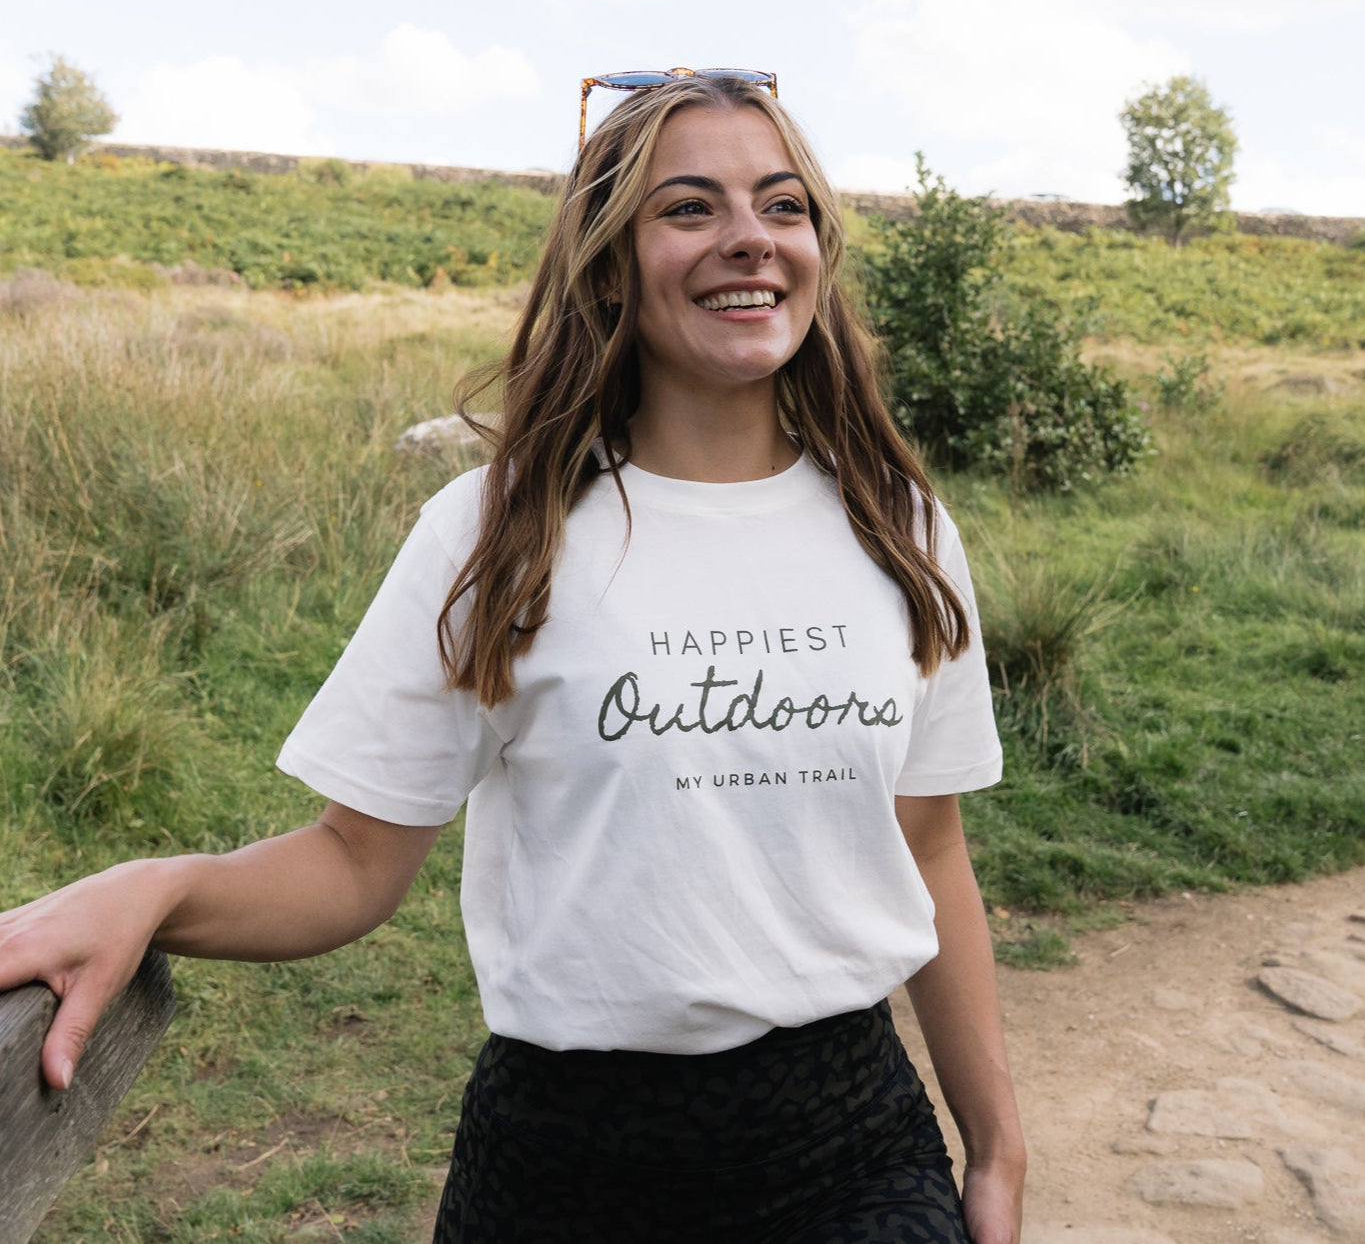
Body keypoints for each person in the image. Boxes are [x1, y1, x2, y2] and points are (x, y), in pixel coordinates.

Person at [0, 71, 1026, 1242]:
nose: (749, 237)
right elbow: (351, 861)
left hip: (849, 1149)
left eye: (782, 206)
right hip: (566, 1162)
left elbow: (931, 846)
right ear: (606, 262)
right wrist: (160, 885)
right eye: (688, 207)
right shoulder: (497, 530)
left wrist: (995, 1144)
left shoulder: (897, 523)